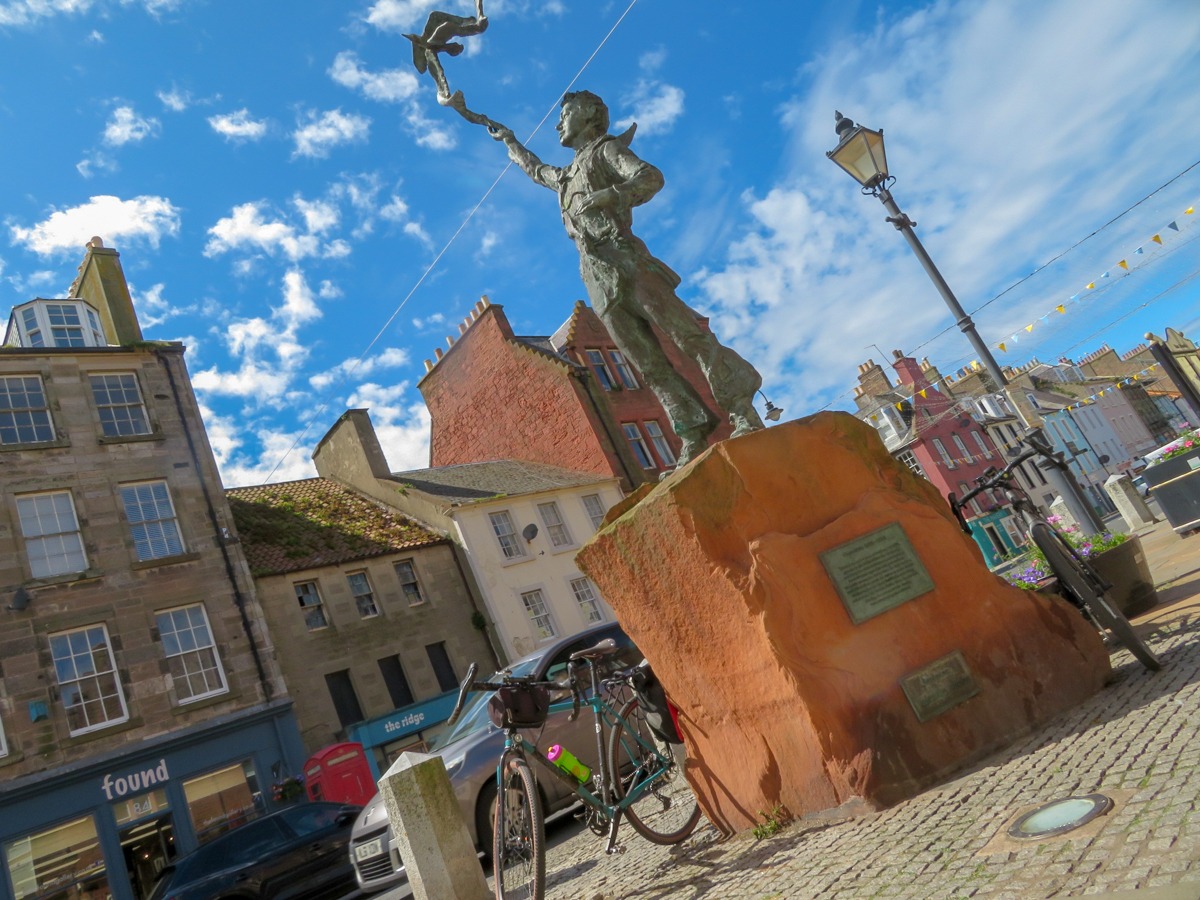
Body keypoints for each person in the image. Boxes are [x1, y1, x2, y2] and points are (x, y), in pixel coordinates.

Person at [489, 91, 765, 465]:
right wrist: (509, 141)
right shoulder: (567, 175)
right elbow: (537, 171)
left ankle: (742, 410)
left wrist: (611, 194)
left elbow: (649, 177)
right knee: (646, 363)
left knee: (688, 335)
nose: (557, 123)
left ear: (588, 116)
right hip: (596, 276)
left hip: (627, 259)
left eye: (565, 114)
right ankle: (691, 431)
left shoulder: (606, 150)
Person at [404, 0, 488, 104]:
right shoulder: (420, 47)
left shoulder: (428, 33)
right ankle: (445, 92)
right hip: (438, 48)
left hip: (440, 40)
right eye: (413, 39)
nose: (415, 40)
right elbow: (421, 69)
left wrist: (465, 21)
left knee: (435, 16)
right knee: (435, 63)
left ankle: (468, 23)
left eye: (414, 38)